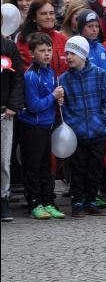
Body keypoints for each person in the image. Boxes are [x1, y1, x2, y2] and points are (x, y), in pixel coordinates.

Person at [59, 35, 106, 217]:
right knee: (77, 168)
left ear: (83, 54)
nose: (68, 57)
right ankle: (77, 202)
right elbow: (63, 106)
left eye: (73, 53)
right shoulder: (63, 79)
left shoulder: (99, 74)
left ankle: (91, 200)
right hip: (76, 133)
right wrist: (71, 123)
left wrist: (103, 120)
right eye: (67, 53)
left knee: (95, 168)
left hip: (97, 131)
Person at [17, 33, 66, 219]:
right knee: (33, 166)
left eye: (49, 50)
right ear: (31, 53)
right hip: (32, 127)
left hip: (47, 125)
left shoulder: (50, 72)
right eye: (41, 51)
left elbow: (49, 100)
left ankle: (48, 201)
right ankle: (35, 203)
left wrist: (57, 102)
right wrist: (53, 97)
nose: (46, 54)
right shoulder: (31, 76)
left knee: (46, 166)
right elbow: (34, 105)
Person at [0, 30, 25, 222]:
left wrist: (12, 105)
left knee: (3, 160)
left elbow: (18, 78)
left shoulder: (8, 47)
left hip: (4, 114)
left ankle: (3, 199)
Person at [17, 0, 68, 76]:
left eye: (51, 13)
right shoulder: (25, 41)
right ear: (34, 17)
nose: (49, 17)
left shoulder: (63, 39)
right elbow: (25, 71)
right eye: (44, 14)